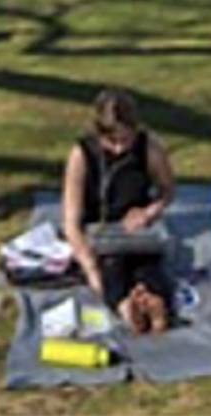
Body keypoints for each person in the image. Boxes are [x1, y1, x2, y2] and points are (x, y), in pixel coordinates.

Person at [61, 88, 175, 333]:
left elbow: (168, 190)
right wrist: (89, 266)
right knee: (110, 270)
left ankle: (154, 301)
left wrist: (149, 212)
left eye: (126, 140)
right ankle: (127, 307)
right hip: (99, 231)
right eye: (112, 141)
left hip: (137, 228)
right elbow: (70, 221)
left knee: (149, 265)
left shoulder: (148, 146)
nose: (120, 149)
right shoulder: (81, 154)